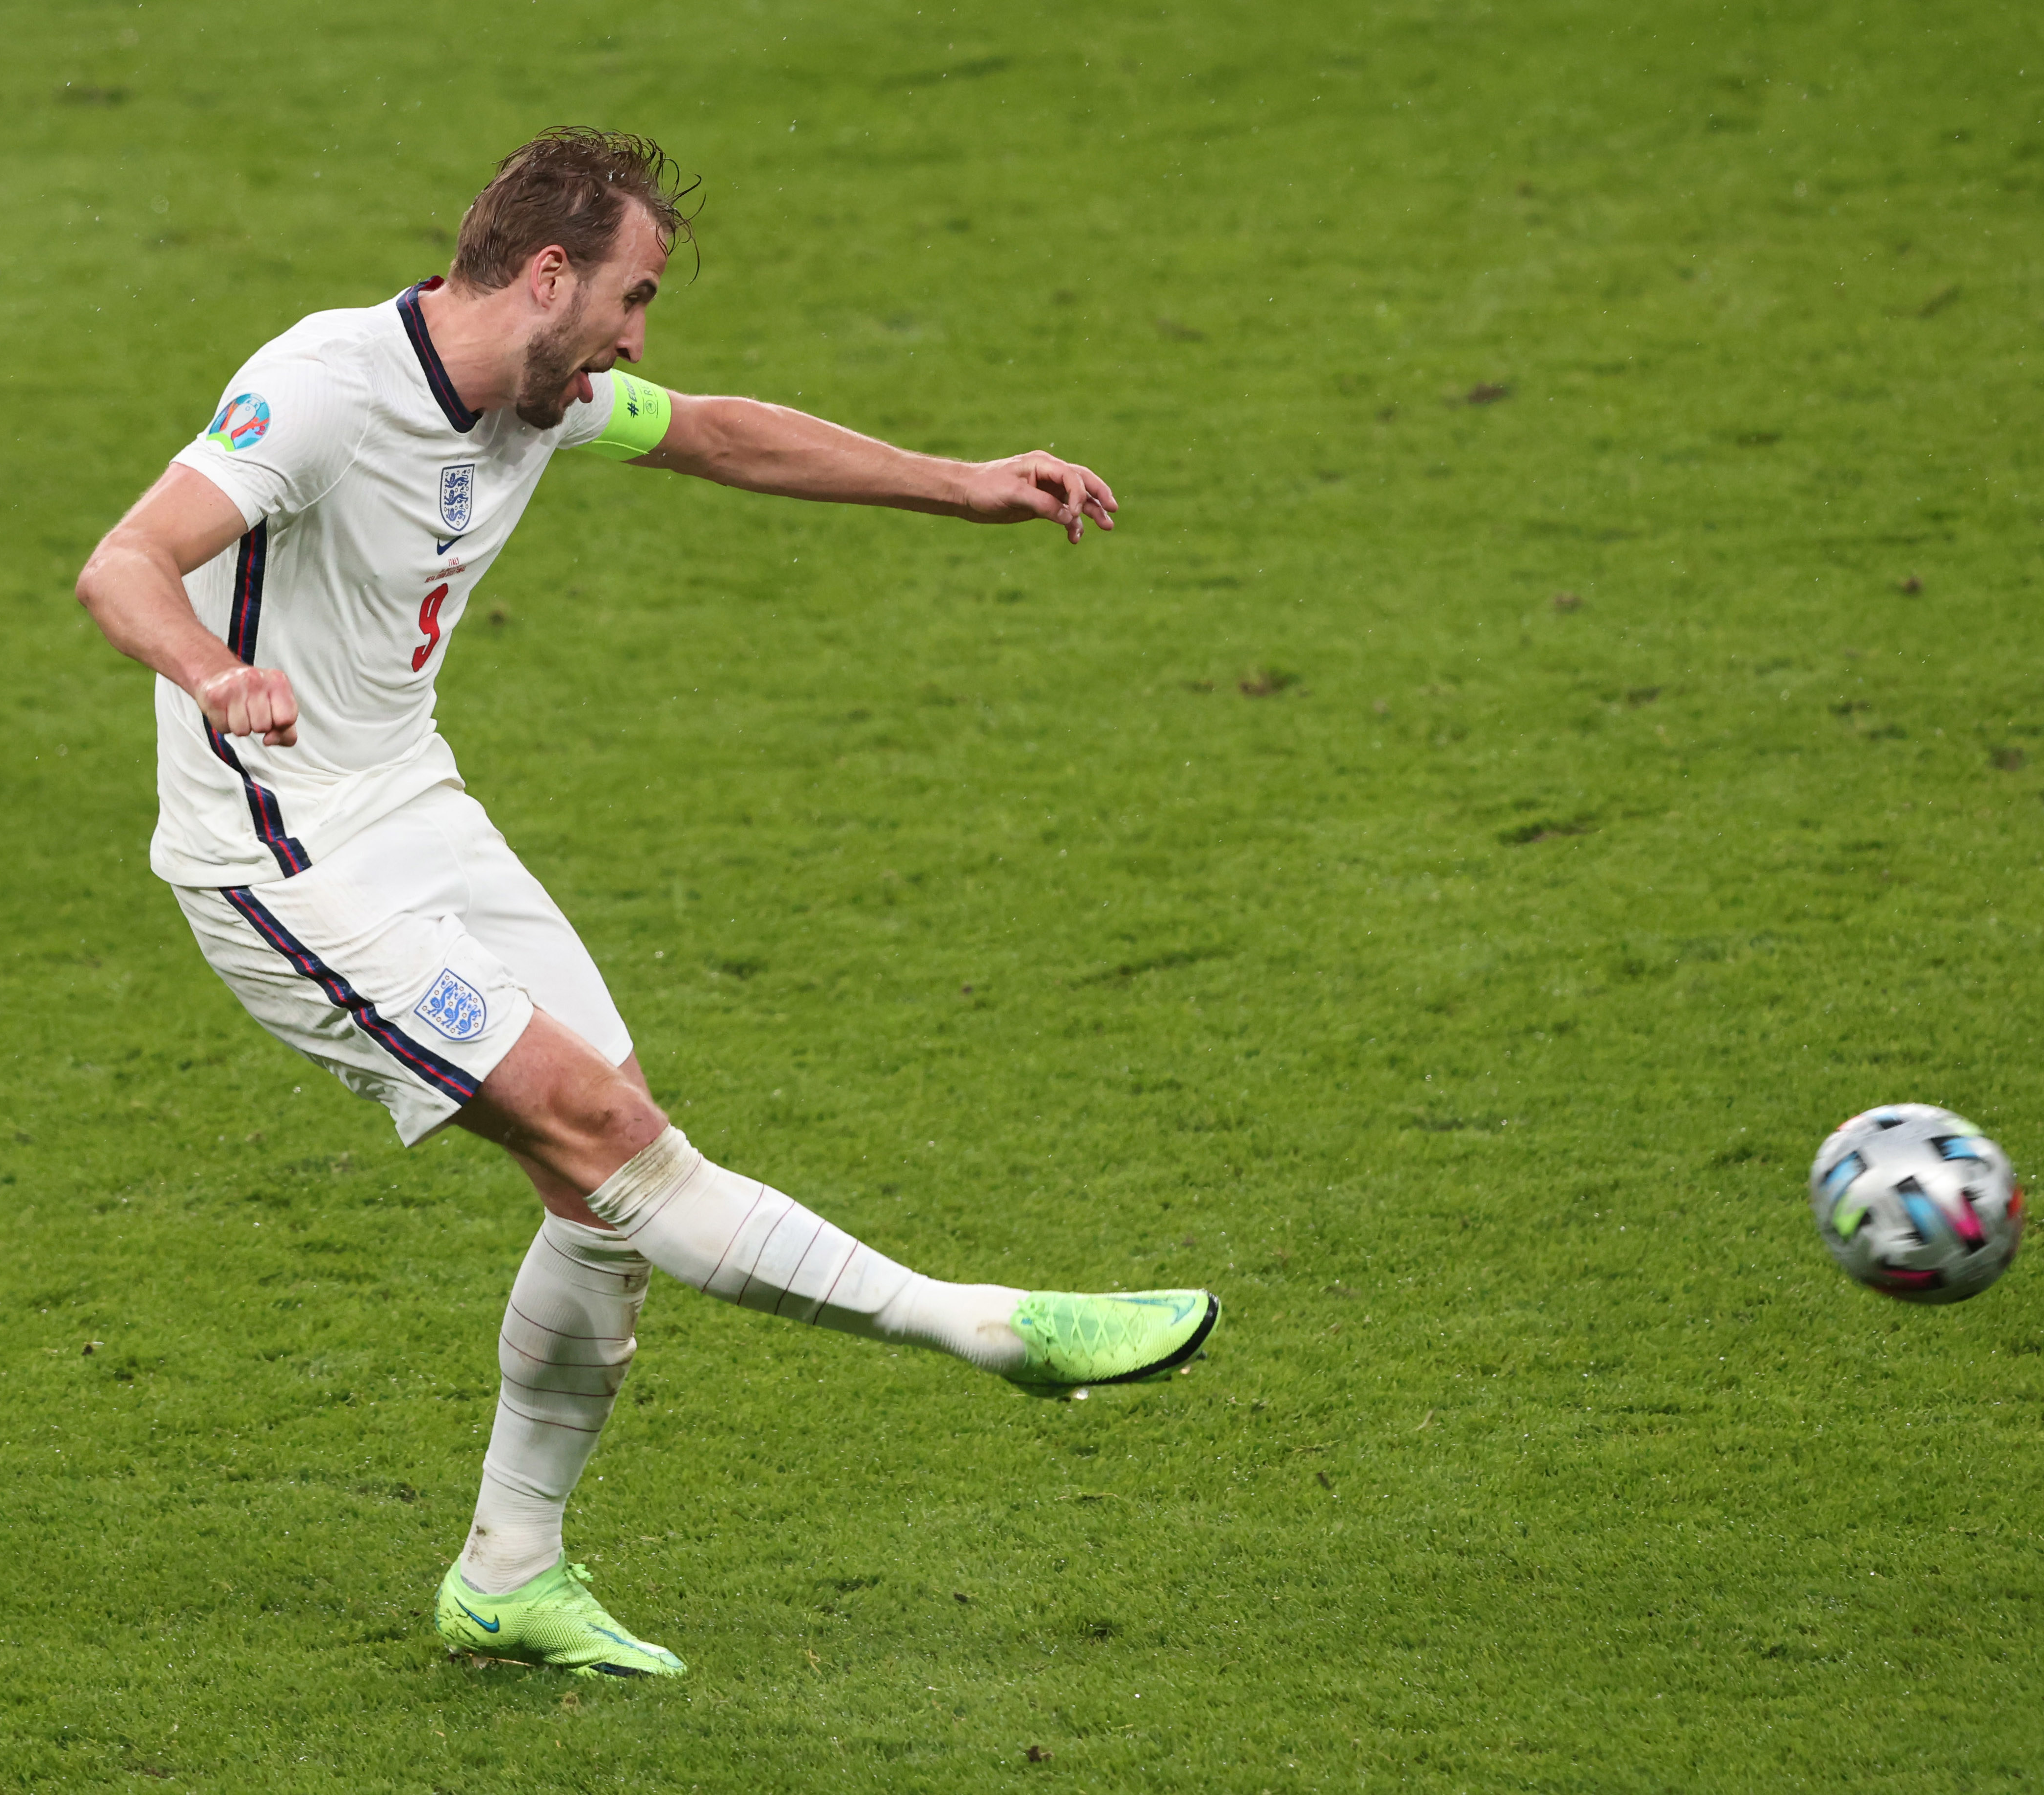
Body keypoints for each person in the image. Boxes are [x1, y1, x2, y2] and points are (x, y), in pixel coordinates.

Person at [75, 129, 1217, 1680]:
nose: (635, 335)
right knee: (613, 1147)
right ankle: (984, 1325)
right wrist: (216, 674)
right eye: (633, 295)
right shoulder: (328, 385)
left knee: (602, 1169)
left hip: (414, 808)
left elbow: (719, 436)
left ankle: (510, 1571)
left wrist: (962, 485)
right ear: (548, 273)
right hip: (279, 854)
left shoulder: (532, 394)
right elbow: (126, 561)